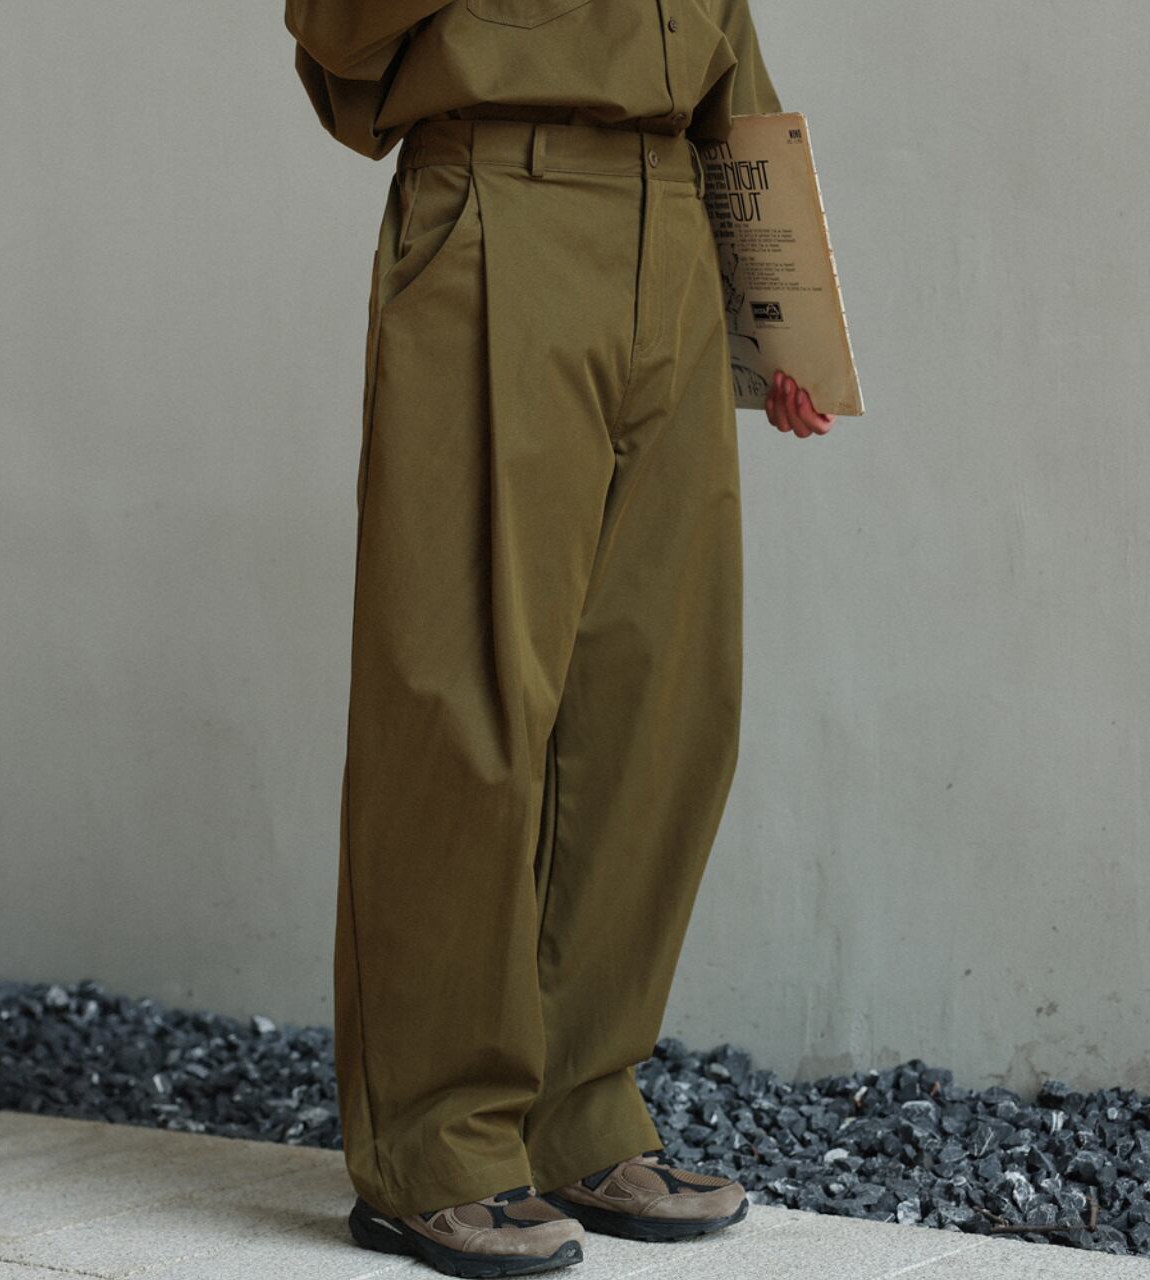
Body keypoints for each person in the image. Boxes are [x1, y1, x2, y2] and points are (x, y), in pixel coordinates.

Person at [283, 2, 836, 1274]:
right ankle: (433, 1145)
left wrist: (782, 315)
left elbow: (731, 69)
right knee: (465, 700)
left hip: (673, 233)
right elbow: (333, 33)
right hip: (498, 209)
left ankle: (578, 1111)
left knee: (659, 703)